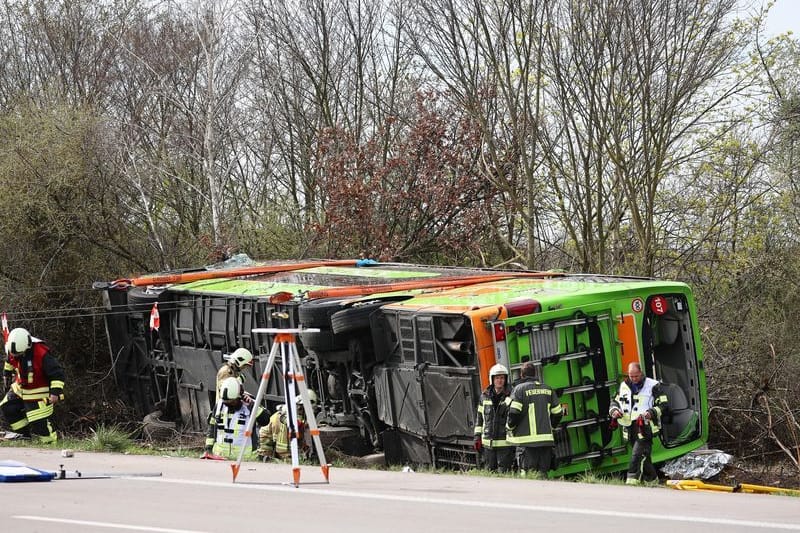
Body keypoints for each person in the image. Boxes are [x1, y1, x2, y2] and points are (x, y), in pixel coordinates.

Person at [609, 362, 669, 485]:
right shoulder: (623, 386)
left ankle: (631, 482)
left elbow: (664, 405)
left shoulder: (653, 385)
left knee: (636, 455)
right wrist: (614, 411)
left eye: (636, 376)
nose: (634, 379)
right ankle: (652, 481)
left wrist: (651, 413)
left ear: (641, 373)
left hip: (645, 427)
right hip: (630, 428)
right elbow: (614, 402)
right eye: (631, 376)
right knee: (644, 458)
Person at [0, 328, 65, 443]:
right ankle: (24, 437)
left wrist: (55, 392)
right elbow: (9, 361)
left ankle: (50, 444)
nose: (16, 356)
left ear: (27, 346)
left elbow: (57, 374)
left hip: (38, 393)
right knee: (7, 407)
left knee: (39, 423)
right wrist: (7, 374)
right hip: (20, 389)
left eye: (19, 354)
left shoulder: (41, 354)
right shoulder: (13, 348)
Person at [506, 362, 562, 477]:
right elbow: (558, 413)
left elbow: (514, 413)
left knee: (528, 477)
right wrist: (550, 427)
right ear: (535, 373)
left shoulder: (519, 390)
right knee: (543, 475)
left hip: (526, 445)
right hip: (546, 443)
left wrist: (509, 426)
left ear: (522, 375)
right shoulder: (548, 389)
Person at [202, 376, 268, 460]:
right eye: (226, 403)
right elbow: (211, 428)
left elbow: (265, 420)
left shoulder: (250, 405)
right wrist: (208, 448)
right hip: (219, 457)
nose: (229, 405)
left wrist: (252, 406)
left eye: (232, 402)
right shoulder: (219, 406)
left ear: (239, 397)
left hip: (246, 459)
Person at [474, 363, 514, 472]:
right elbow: (479, 419)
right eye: (497, 378)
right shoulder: (484, 396)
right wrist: (477, 437)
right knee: (489, 473)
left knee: (504, 473)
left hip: (505, 444)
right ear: (492, 379)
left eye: (502, 378)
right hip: (488, 445)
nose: (500, 380)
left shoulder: (511, 395)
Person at [257, 390, 317, 461]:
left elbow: (300, 434)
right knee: (269, 461)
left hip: (278, 438)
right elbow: (282, 448)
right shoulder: (286, 418)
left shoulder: (301, 416)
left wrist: (304, 450)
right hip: (266, 440)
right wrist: (289, 458)